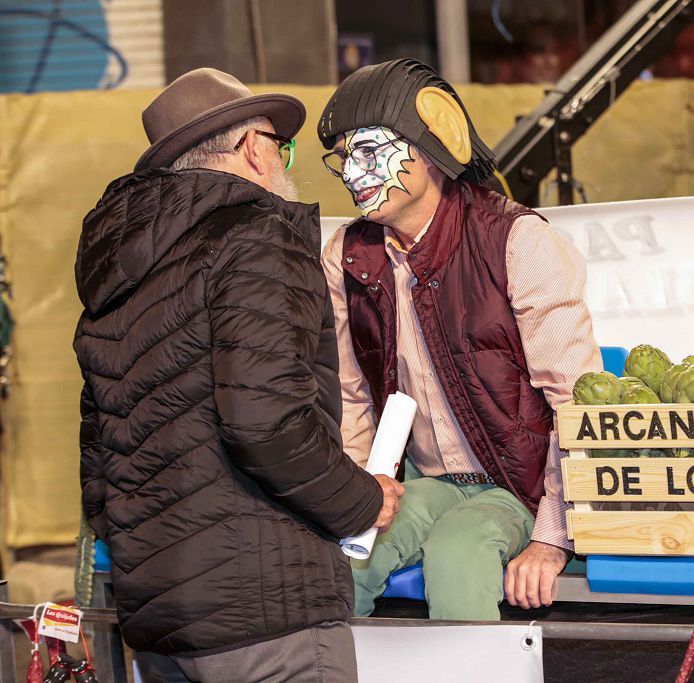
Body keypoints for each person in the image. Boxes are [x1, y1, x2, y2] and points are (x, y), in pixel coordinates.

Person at [73, 68, 403, 683]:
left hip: (157, 614)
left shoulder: (123, 267)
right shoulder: (257, 236)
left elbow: (100, 452)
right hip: (264, 608)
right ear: (253, 147)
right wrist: (360, 502)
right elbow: (266, 424)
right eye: (283, 146)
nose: (283, 160)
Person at [318, 58, 602, 620]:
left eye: (369, 151)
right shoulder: (348, 256)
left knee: (458, 552)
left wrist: (553, 535)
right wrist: (362, 498)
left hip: (521, 487)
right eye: (344, 156)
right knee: (340, 561)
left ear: (432, 148)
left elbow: (575, 401)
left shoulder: (517, 241)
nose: (354, 173)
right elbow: (350, 397)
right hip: (426, 482)